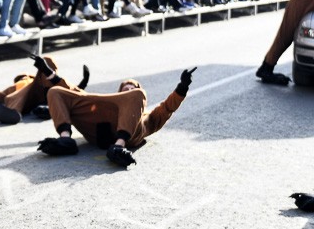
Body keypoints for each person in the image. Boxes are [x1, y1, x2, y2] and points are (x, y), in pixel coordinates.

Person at [38, 68, 197, 167]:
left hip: (129, 135)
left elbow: (167, 108)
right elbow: (74, 92)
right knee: (55, 92)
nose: (128, 89)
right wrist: (48, 71)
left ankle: (118, 147)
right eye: (125, 88)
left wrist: (182, 88)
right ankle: (65, 140)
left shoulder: (147, 114)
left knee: (138, 95)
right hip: (97, 129)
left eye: (131, 88)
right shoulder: (105, 106)